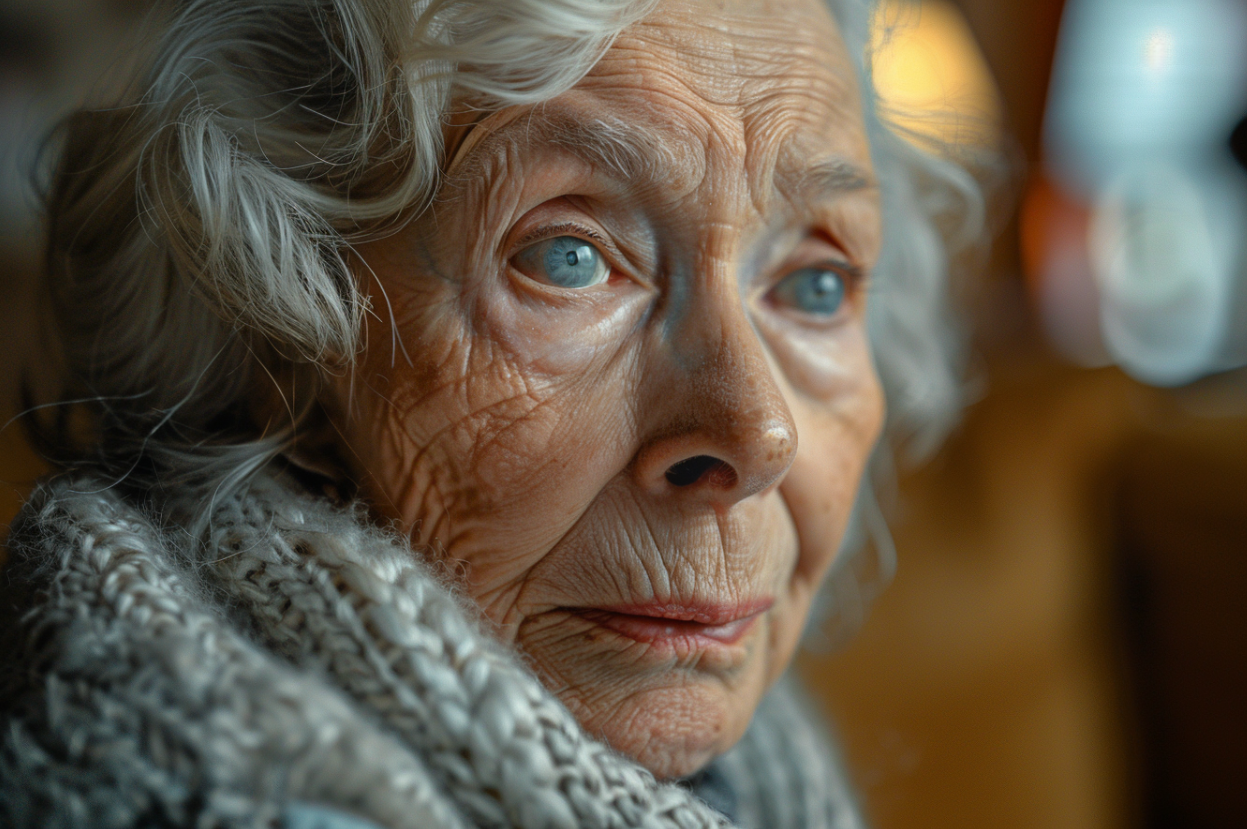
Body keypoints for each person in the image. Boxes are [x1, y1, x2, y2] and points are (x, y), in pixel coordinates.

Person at [0, 0, 978, 826]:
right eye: (567, 257)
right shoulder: (177, 782)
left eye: (813, 284)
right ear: (271, 336)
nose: (758, 432)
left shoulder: (758, 783)